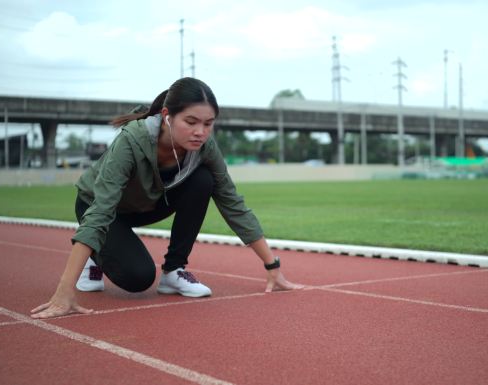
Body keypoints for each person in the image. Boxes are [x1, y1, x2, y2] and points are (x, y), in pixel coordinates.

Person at [31, 77, 302, 319]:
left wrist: (272, 265)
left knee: (203, 181)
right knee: (138, 278)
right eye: (191, 122)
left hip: (146, 204)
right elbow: (101, 209)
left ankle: (174, 272)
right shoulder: (131, 140)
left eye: (208, 124)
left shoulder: (204, 147)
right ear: (167, 116)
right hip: (100, 207)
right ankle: (96, 255)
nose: (201, 132)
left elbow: (232, 203)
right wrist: (64, 293)